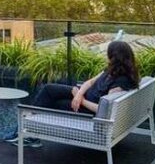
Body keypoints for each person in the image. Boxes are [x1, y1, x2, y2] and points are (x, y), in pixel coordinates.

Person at [10, 40, 140, 146]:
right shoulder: (111, 69)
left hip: (87, 110)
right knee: (48, 89)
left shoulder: (121, 81)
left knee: (52, 100)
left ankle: (27, 131)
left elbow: (104, 109)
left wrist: (81, 100)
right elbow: (89, 82)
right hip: (83, 98)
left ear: (114, 57)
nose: (107, 56)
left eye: (109, 54)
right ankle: (28, 130)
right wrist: (78, 94)